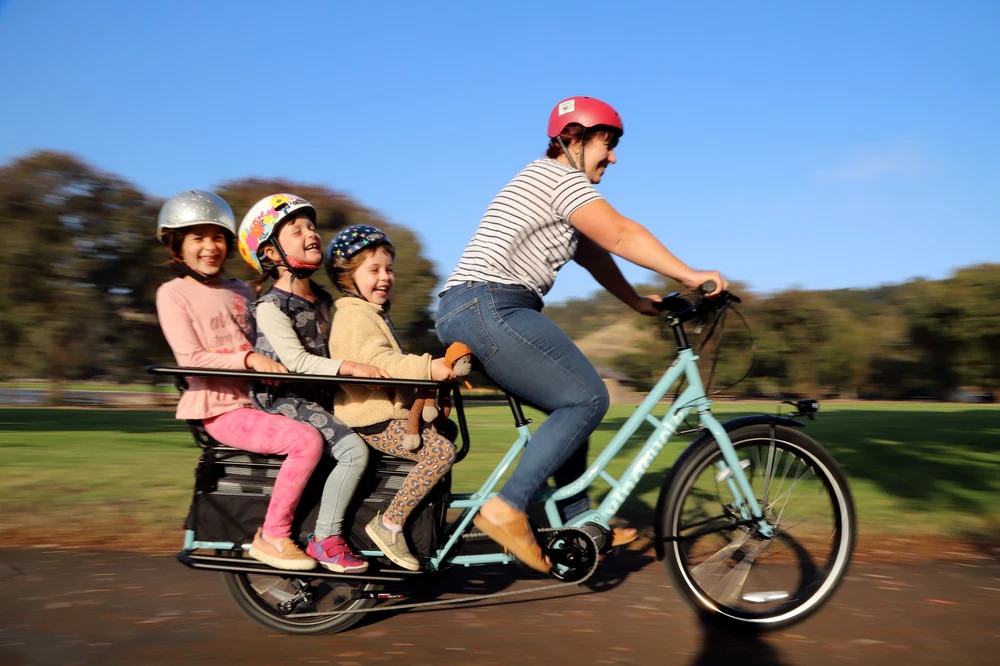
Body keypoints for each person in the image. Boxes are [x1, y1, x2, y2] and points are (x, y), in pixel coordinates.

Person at [434, 96, 728, 573]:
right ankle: (507, 507)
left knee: (569, 401)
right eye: (606, 144)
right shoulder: (558, 178)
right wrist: (691, 275)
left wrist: (637, 302)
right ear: (572, 138)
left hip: (479, 305)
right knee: (587, 398)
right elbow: (620, 234)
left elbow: (594, 252)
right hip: (489, 302)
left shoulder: (556, 190)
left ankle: (577, 518)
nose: (613, 157)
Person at [154, 189, 325, 571]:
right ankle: (273, 536)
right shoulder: (173, 294)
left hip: (262, 400)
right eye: (197, 238)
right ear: (177, 245)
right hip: (221, 408)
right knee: (305, 441)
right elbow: (191, 358)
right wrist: (250, 359)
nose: (209, 247)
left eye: (217, 237)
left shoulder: (242, 291)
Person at [236, 193, 391, 574]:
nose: (311, 234)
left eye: (312, 227)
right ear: (270, 254)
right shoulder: (271, 307)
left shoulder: (324, 298)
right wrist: (354, 369)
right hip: (287, 400)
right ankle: (326, 538)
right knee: (354, 451)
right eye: (296, 230)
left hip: (320, 397)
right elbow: (298, 363)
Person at [325, 225, 457, 571]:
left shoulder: (370, 312)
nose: (385, 277)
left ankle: (424, 522)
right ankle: (390, 524)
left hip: (386, 414)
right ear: (346, 276)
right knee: (441, 452)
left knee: (448, 431)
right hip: (372, 418)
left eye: (389, 269)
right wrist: (430, 367)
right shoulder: (354, 316)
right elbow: (380, 363)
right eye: (374, 270)